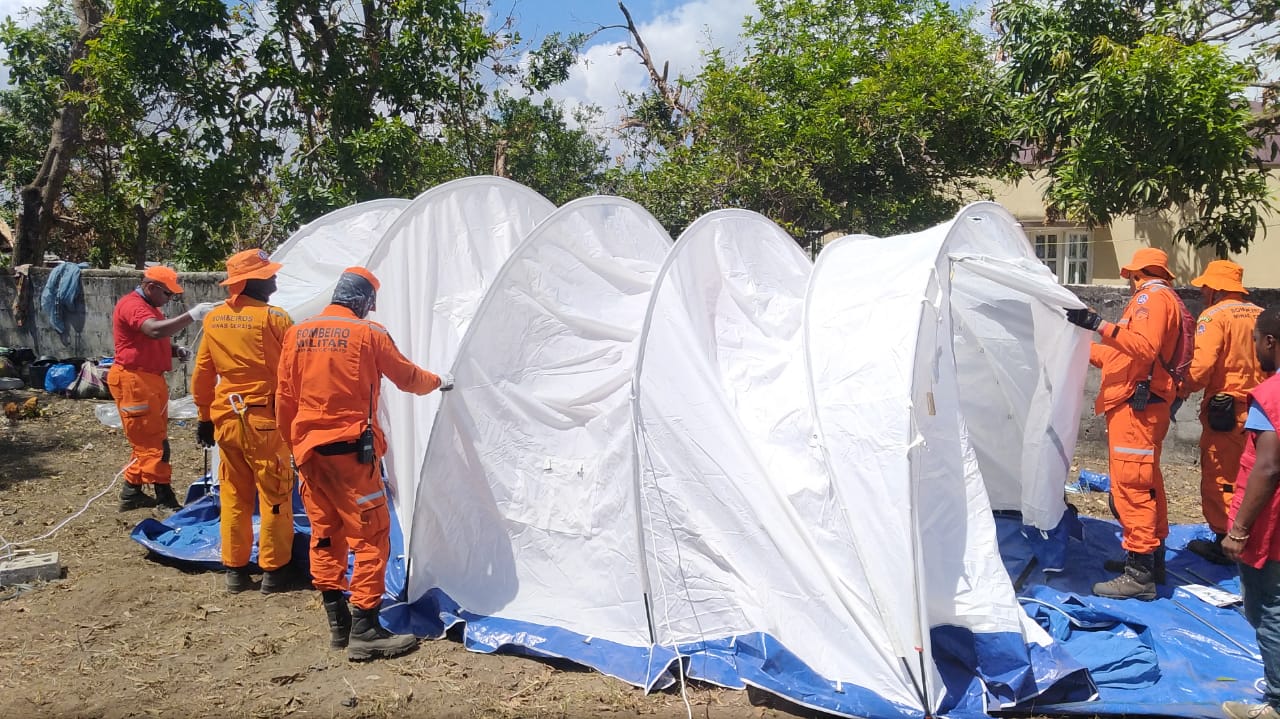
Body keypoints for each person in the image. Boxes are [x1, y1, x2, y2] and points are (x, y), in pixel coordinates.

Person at [276, 267, 453, 661]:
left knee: (325, 532)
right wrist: (440, 381)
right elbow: (407, 378)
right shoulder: (369, 335)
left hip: (308, 455)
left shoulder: (296, 333)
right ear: (363, 301)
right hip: (352, 456)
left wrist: (294, 447)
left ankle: (337, 623)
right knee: (371, 536)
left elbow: (284, 398)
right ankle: (366, 629)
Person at [1066, 248, 1183, 600]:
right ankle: (1150, 559)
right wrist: (1080, 343)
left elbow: (1143, 350)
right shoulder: (1160, 300)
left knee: (1132, 487)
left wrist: (1098, 324)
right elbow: (1124, 357)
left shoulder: (1151, 297)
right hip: (1140, 405)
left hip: (1138, 408)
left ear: (1138, 274)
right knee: (1146, 483)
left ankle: (1140, 574)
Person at [191, 249, 297, 594]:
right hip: (264, 421)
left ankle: (235, 570)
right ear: (253, 280)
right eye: (270, 274)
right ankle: (273, 570)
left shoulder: (214, 319)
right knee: (275, 495)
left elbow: (203, 373)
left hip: (226, 421)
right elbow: (295, 373)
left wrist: (204, 417)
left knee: (234, 495)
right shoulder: (275, 318)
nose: (276, 278)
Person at [109, 265, 218, 511]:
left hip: (149, 380)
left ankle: (131, 492)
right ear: (150, 287)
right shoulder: (133, 306)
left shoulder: (150, 308)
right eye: (168, 295)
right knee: (153, 444)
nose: (170, 300)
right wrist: (192, 315)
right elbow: (153, 331)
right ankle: (164, 498)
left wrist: (175, 350)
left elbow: (148, 339)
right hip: (134, 381)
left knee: (150, 439)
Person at [1179, 260, 1266, 564]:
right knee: (1256, 475)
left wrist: (1181, 388)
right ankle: (1254, 537)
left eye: (1205, 286)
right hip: (1264, 410)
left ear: (1216, 288)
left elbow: (1201, 368)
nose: (1203, 291)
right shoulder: (1261, 314)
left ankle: (1224, 541)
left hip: (1227, 413)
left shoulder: (1214, 316)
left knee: (1222, 477)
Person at [1221, 306, 1280, 719]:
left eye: (1257, 339)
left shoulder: (1271, 396)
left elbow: (1268, 466)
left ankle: (1276, 703)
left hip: (1270, 526)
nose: (1255, 347)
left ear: (1271, 342)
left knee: (1268, 610)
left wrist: (1239, 530)